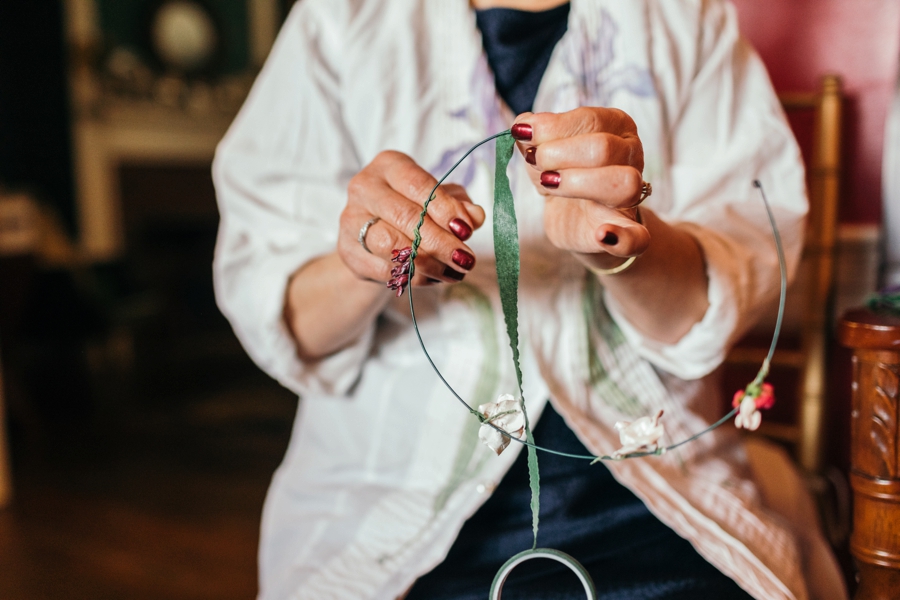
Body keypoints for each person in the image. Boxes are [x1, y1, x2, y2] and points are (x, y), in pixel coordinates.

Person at [212, 0, 846, 598]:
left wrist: (622, 248)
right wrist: (366, 257)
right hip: (384, 494)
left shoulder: (683, 18)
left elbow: (712, 303)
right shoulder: (341, 19)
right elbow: (286, 319)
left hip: (656, 499)